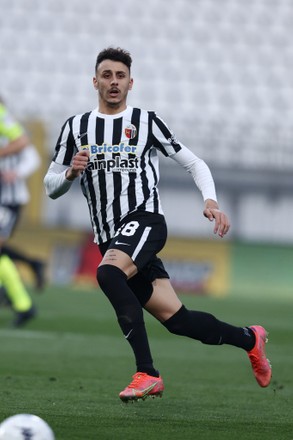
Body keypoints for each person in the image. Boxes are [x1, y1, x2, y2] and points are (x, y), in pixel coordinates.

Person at [44, 47, 272, 402]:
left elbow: (194, 163)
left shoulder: (146, 121)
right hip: (111, 238)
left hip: (145, 221)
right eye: (107, 75)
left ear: (131, 83)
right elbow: (50, 186)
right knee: (178, 319)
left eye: (120, 76)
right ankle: (250, 339)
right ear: (95, 81)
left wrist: (210, 200)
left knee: (107, 274)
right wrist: (71, 173)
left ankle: (147, 373)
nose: (114, 82)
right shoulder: (76, 127)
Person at [0, 99, 45, 326]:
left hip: (8, 199)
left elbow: (28, 150)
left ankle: (19, 301)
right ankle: (18, 300)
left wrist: (15, 173)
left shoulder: (3, 118)